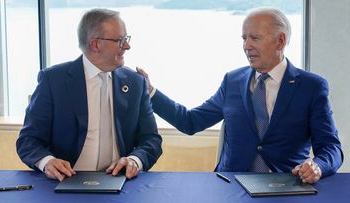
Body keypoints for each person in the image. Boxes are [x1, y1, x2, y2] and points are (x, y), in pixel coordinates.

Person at [137, 7, 343, 184]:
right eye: (244, 38)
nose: (246, 46)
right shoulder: (232, 81)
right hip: (230, 186)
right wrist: (151, 93)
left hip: (286, 185)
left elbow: (330, 147)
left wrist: (317, 166)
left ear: (280, 41)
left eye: (255, 38)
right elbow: (190, 122)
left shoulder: (311, 87)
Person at [16, 8, 162, 181]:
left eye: (126, 39)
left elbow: (151, 139)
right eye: (120, 40)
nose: (127, 46)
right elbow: (28, 140)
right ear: (95, 44)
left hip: (122, 183)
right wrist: (47, 162)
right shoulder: (53, 80)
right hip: (65, 182)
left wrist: (134, 160)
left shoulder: (136, 82)